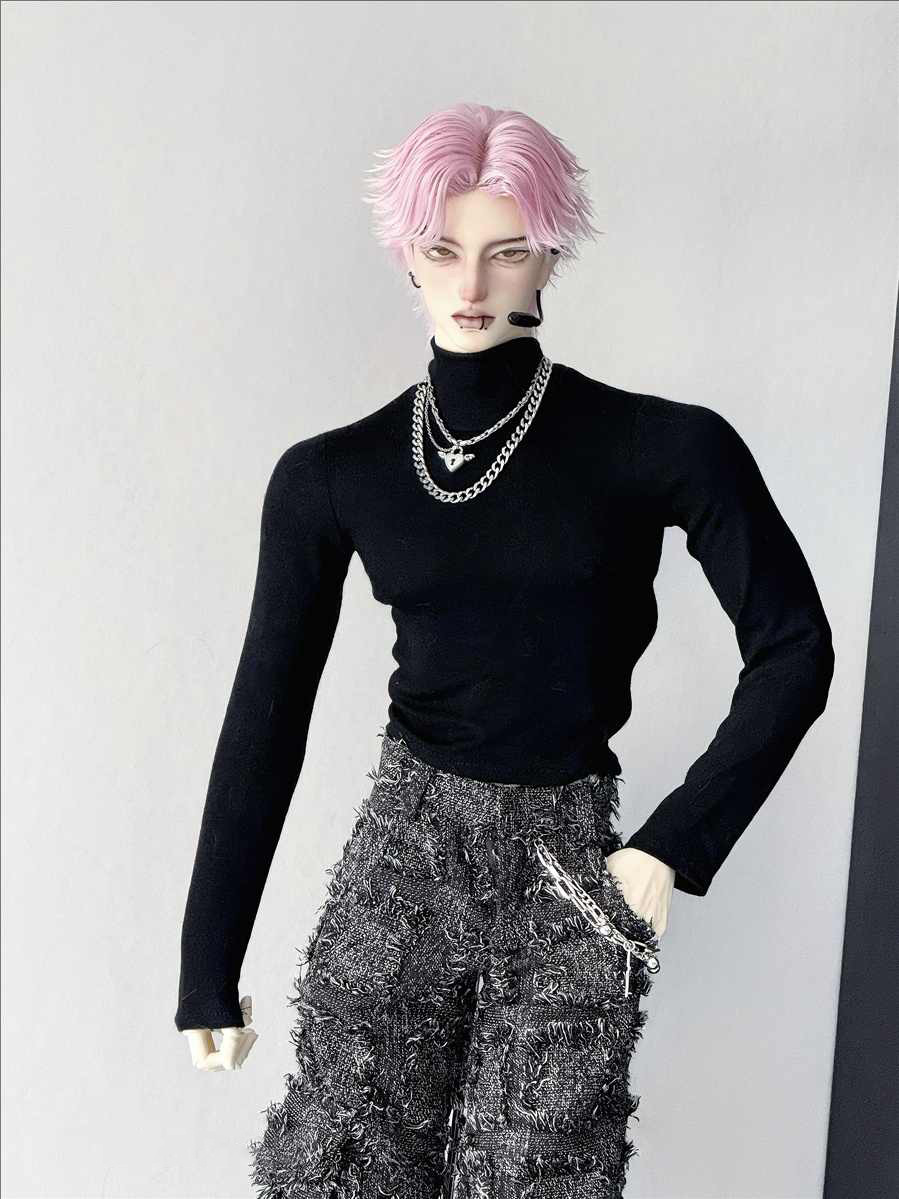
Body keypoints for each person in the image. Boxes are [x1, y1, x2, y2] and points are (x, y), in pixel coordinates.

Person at [175, 103, 834, 1195]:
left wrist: (673, 841)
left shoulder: (660, 445)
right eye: (442, 251)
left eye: (507, 250)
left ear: (551, 253)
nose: (471, 284)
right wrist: (207, 959)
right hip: (403, 859)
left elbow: (793, 647)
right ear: (406, 255)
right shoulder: (330, 475)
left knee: (541, 1172)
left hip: (571, 864)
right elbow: (266, 718)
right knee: (341, 1166)